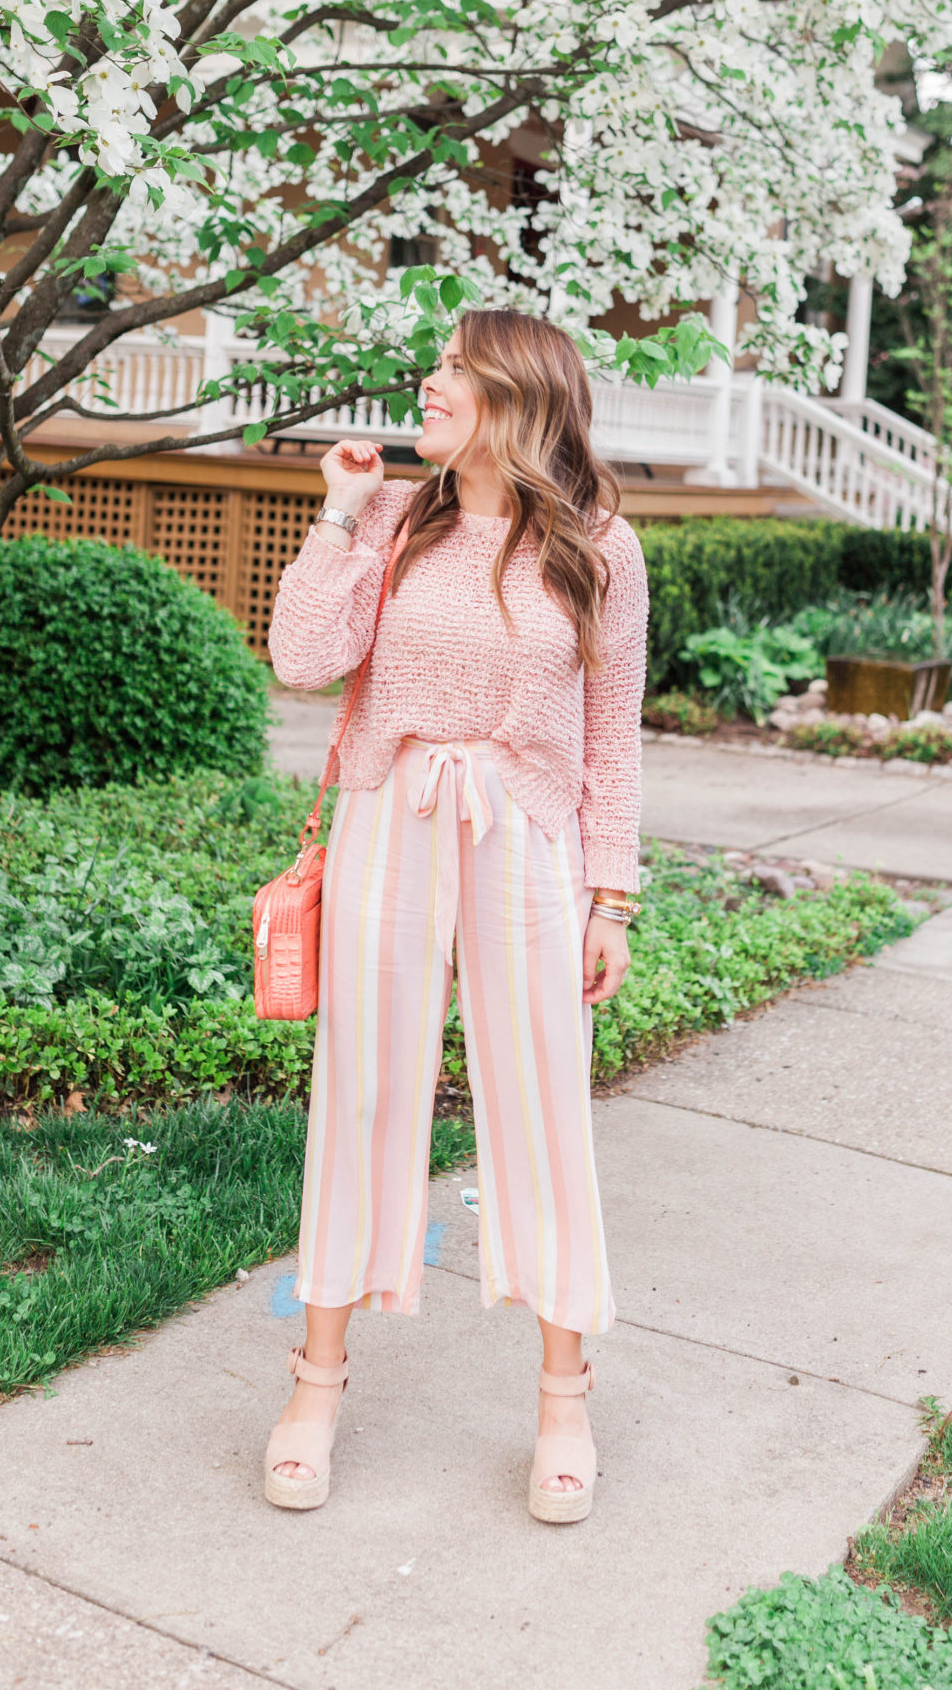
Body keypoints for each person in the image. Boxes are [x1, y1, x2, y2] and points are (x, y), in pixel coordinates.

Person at [262, 307, 648, 1525]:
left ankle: (564, 1401)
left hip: (527, 833)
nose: (427, 382)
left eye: (452, 367)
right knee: (364, 1090)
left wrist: (612, 895)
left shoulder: (598, 545)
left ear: (515, 394)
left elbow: (611, 737)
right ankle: (314, 1389)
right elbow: (302, 659)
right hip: (392, 815)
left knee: (539, 1104)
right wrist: (333, 510)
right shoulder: (388, 518)